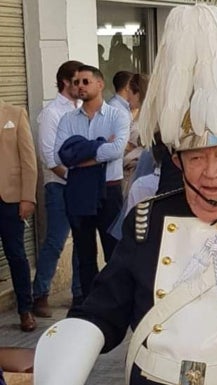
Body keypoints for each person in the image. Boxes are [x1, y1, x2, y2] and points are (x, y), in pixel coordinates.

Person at [34, 4, 217, 385]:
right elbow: (103, 309)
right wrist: (68, 356)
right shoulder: (148, 223)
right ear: (177, 161)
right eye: (196, 158)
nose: (209, 172)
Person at [54, 64, 130, 297]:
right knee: (84, 252)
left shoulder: (117, 115)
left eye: (86, 81)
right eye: (77, 82)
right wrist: (99, 145)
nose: (80, 86)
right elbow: (62, 155)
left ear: (100, 84)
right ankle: (88, 304)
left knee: (113, 249)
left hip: (109, 190)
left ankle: (117, 301)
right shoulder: (68, 119)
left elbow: (117, 150)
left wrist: (82, 154)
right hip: (79, 190)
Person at [33, 60, 84, 317]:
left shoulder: (83, 110)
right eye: (78, 81)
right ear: (65, 82)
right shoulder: (52, 113)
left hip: (80, 185)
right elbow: (49, 156)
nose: (82, 86)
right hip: (60, 186)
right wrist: (73, 178)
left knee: (82, 241)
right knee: (55, 241)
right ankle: (40, 294)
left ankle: (79, 294)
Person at [0, 101, 37, 332]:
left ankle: (25, 309)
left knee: (16, 255)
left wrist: (28, 197)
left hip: (10, 199)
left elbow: (28, 160)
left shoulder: (15, 114)